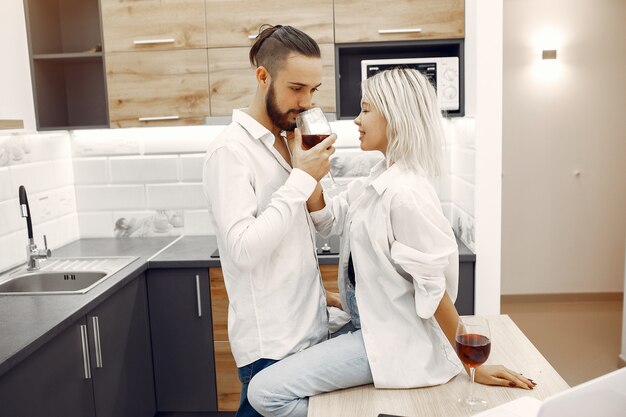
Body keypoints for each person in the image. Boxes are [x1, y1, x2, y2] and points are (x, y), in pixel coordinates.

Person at [246, 68, 536, 417]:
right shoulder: (379, 177)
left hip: (390, 342)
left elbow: (434, 288)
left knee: (263, 393)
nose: (356, 120)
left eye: (366, 109)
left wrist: (469, 362)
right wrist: (306, 169)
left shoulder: (407, 194)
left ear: (395, 117)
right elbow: (326, 219)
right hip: (367, 328)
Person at [202, 24, 339, 417]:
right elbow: (244, 250)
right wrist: (301, 179)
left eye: (313, 90)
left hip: (310, 335)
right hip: (272, 350)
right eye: (296, 88)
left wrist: (312, 175)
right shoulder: (230, 152)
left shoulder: (291, 138)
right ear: (263, 76)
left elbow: (323, 224)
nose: (307, 102)